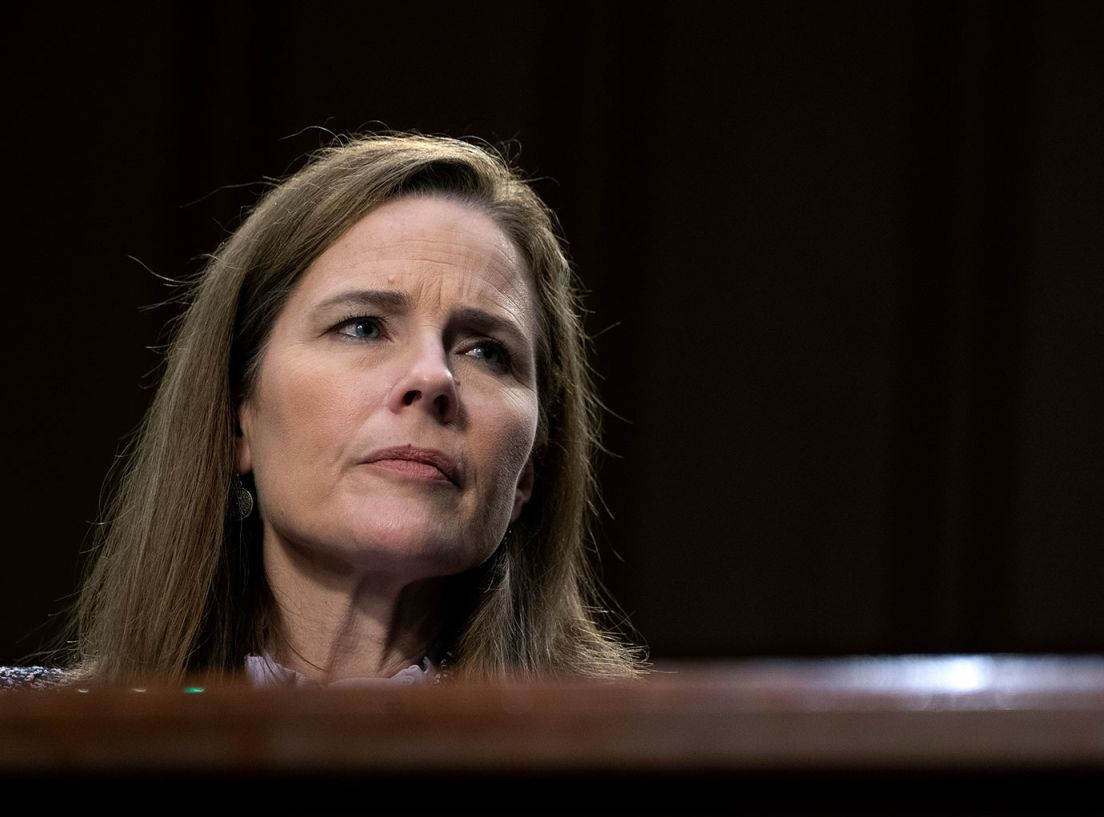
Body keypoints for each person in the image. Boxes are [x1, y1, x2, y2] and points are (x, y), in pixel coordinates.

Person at [17, 134, 644, 687]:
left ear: (529, 471)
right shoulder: (29, 744)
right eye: (364, 328)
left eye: (486, 351)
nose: (432, 377)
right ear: (240, 419)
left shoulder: (638, 780)